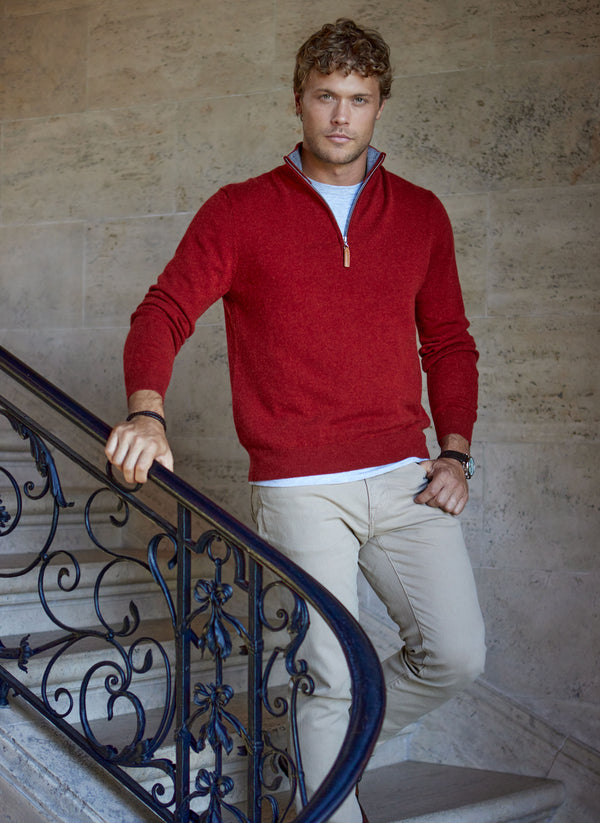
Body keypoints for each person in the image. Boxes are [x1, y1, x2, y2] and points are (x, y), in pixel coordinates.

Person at [105, 18, 486, 823]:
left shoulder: (421, 214)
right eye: (325, 96)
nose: (341, 116)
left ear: (380, 105)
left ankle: (320, 759)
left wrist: (456, 453)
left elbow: (450, 342)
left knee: (456, 655)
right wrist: (147, 411)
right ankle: (326, 790)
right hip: (299, 485)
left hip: (405, 474)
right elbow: (163, 311)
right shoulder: (239, 211)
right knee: (330, 677)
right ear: (298, 101)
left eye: (359, 98)